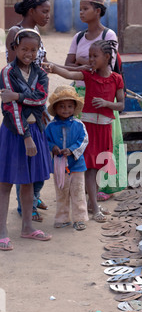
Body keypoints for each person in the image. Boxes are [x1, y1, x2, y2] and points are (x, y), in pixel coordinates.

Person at [43, 39, 125, 223]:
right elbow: (69, 72)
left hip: (105, 127)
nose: (91, 59)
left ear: (106, 57)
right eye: (89, 56)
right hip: (88, 128)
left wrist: (106, 104)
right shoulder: (88, 75)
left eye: (95, 56)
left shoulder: (116, 79)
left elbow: (121, 105)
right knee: (89, 166)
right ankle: (94, 206)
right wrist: (54, 69)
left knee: (98, 167)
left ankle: (91, 203)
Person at [64, 0, 127, 202]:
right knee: (83, 143)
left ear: (98, 11)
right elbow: (68, 65)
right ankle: (83, 187)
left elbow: (107, 66)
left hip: (103, 95)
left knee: (105, 142)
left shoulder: (108, 36)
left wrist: (83, 63)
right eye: (80, 9)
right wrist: (85, 64)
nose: (81, 12)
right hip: (80, 96)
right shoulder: (78, 37)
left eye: (85, 8)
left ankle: (104, 187)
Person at [0, 28, 52, 250]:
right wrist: (27, 137)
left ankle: (27, 227)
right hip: (14, 133)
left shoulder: (40, 74)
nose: (29, 53)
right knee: (5, 184)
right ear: (14, 48)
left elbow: (41, 99)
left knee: (28, 182)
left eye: (34, 49)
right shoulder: (7, 73)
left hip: (35, 130)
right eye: (24, 49)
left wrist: (20, 96)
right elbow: (10, 108)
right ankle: (2, 231)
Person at [6, 0, 51, 222]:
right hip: (21, 110)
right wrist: (24, 97)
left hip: (34, 105)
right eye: (44, 11)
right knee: (23, 161)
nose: (47, 16)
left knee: (39, 158)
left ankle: (33, 197)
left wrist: (39, 105)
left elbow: (36, 75)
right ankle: (26, 204)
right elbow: (17, 73)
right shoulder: (16, 32)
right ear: (31, 10)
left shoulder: (36, 34)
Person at [45, 85, 89, 231]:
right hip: (59, 166)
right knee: (61, 192)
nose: (66, 109)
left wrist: (71, 150)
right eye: (62, 106)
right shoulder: (50, 126)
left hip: (76, 165)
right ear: (56, 108)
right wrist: (53, 147)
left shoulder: (79, 125)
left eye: (70, 106)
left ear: (74, 107)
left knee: (78, 192)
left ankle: (80, 218)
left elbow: (84, 140)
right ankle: (62, 218)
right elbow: (46, 141)